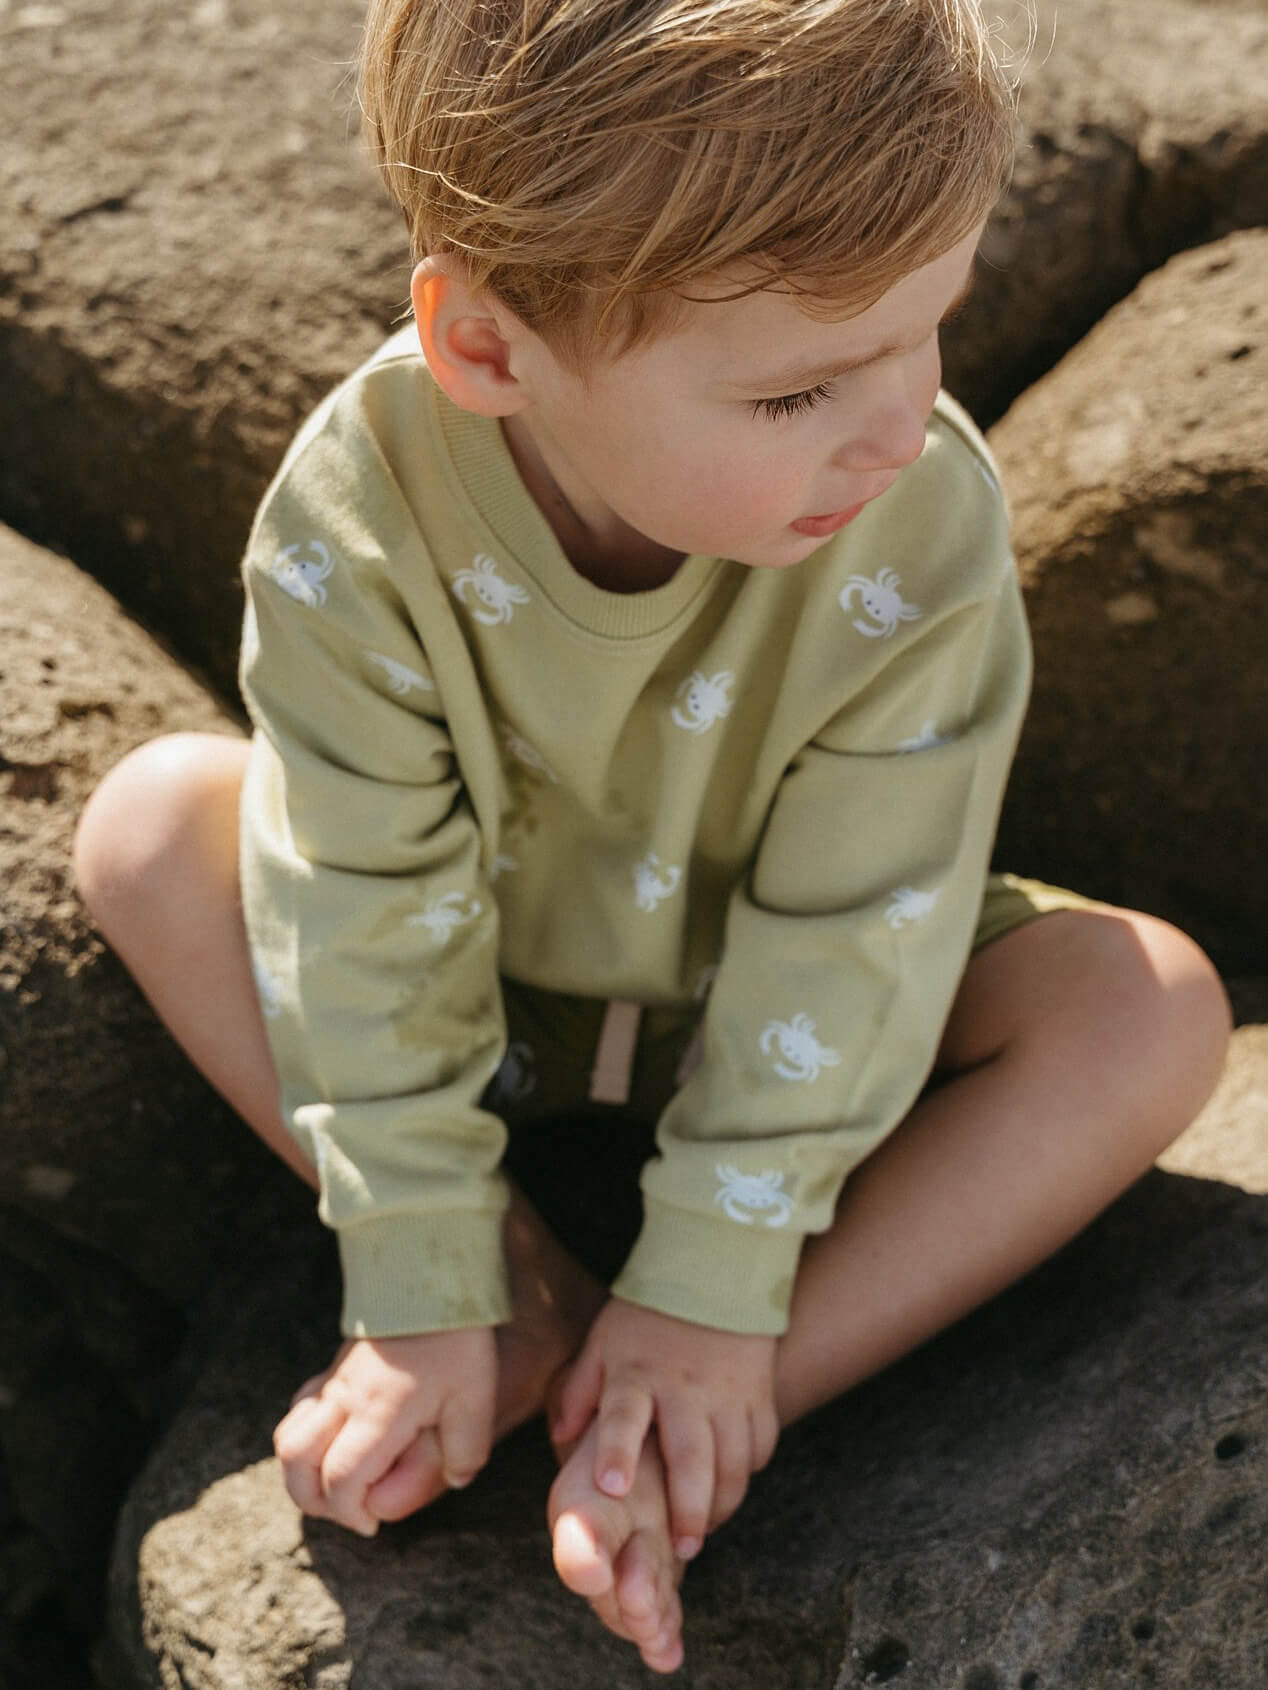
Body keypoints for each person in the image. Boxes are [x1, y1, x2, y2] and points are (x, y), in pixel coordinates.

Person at [73, 0, 1232, 1672]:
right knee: (147, 827)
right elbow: (353, 883)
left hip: (807, 1009)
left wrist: (716, 1275)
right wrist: (418, 1257)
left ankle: (675, 1387)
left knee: (1152, 1005)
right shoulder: (362, 506)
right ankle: (507, 1285)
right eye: (798, 392)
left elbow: (867, 912)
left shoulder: (914, 508)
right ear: (489, 351)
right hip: (476, 993)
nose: (900, 425)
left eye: (934, 329)